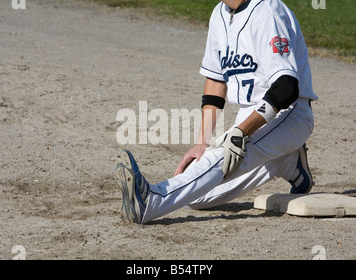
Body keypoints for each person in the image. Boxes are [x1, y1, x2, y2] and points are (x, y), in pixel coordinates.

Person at [114, 0, 318, 224]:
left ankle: (152, 200)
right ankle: (287, 161)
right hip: (250, 114)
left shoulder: (268, 11)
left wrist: (241, 132)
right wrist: (202, 142)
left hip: (287, 113)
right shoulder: (220, 13)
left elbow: (286, 87)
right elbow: (216, 81)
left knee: (222, 155)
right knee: (197, 197)